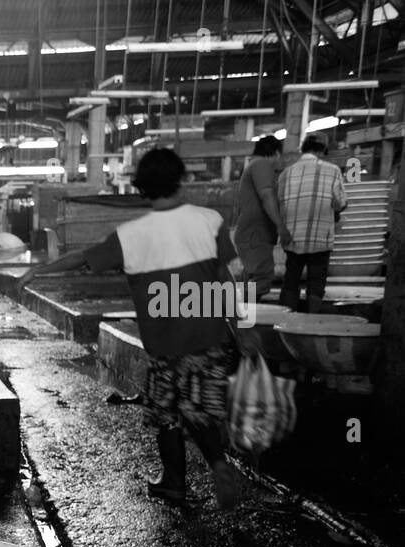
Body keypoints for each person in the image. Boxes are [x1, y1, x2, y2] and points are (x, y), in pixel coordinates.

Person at [19, 148, 246, 511]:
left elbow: (82, 259)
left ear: (141, 187)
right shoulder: (210, 220)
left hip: (165, 342)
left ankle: (174, 482)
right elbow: (229, 278)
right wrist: (240, 327)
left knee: (168, 413)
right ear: (180, 179)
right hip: (211, 336)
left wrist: (38, 271)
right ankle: (218, 464)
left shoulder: (132, 235)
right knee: (199, 408)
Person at [277, 133, 349, 314]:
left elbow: (280, 203)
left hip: (293, 237)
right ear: (322, 150)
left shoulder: (286, 173)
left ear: (304, 149)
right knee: (316, 281)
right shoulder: (332, 170)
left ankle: (286, 319)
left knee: (291, 279)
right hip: (320, 237)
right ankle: (311, 320)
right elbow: (340, 202)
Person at [232, 136, 291, 300]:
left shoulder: (253, 165)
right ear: (276, 153)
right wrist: (280, 225)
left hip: (252, 234)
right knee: (261, 279)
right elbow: (266, 194)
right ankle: (242, 317)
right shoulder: (261, 164)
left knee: (251, 279)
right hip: (255, 234)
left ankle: (242, 320)